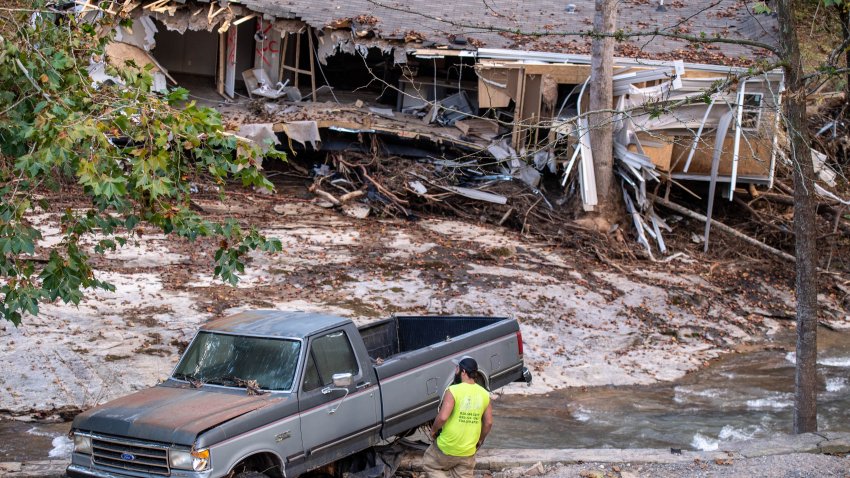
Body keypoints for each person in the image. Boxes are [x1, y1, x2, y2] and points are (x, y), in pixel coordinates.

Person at [422, 357, 493, 478]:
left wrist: (433, 431)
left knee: (430, 465)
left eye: (457, 368)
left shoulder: (453, 390)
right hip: (468, 450)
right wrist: (480, 440)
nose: (456, 370)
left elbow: (443, 417)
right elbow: (488, 423)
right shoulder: (484, 394)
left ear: (463, 371)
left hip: (447, 446)